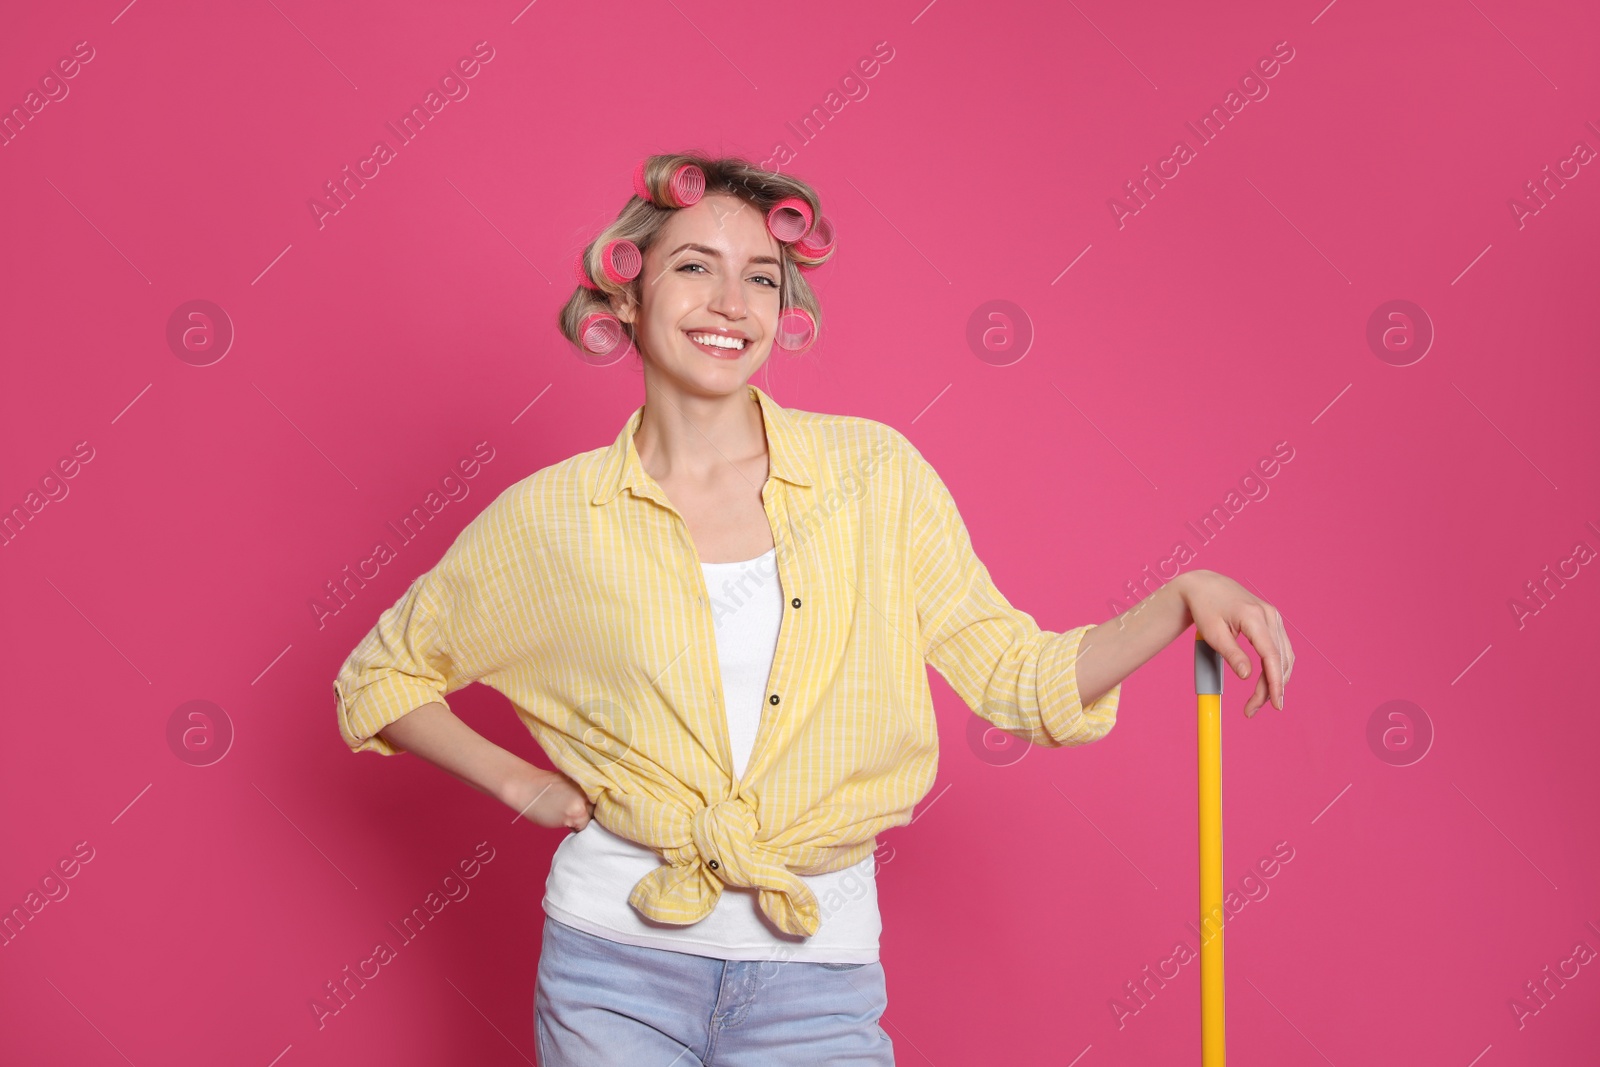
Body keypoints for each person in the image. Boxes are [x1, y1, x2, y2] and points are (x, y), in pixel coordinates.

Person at [331, 152, 1295, 1066]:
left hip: (816, 976)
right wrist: (522, 784)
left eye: (760, 277)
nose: (729, 303)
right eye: (695, 267)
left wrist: (1177, 602)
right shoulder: (553, 517)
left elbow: (1019, 681)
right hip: (609, 962)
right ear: (626, 291)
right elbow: (378, 678)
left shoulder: (875, 478)